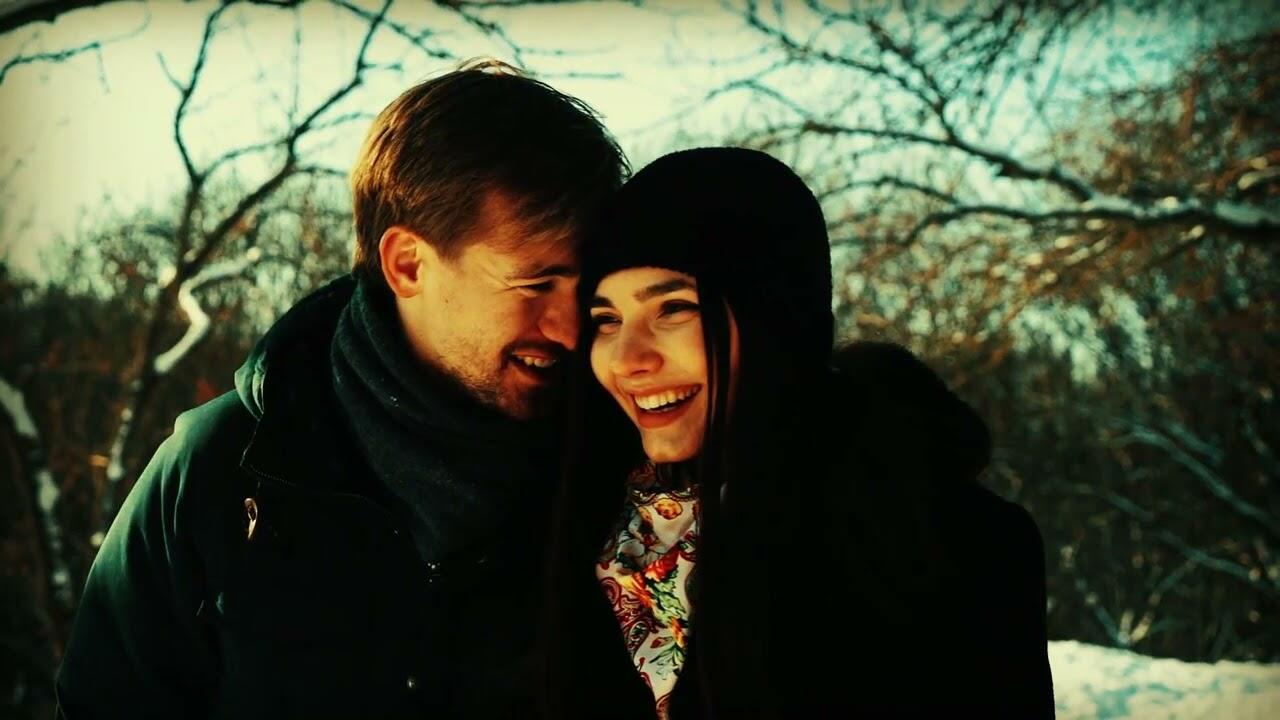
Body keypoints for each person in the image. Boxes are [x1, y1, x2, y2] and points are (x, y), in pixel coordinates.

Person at [55, 60, 628, 718]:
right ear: (407, 265)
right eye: (535, 284)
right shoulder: (219, 475)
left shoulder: (628, 479)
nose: (570, 329)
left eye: (588, 286)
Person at [543, 147, 1055, 718]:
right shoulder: (577, 531)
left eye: (674, 309)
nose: (627, 359)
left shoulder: (945, 544)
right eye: (607, 320)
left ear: (774, 319)